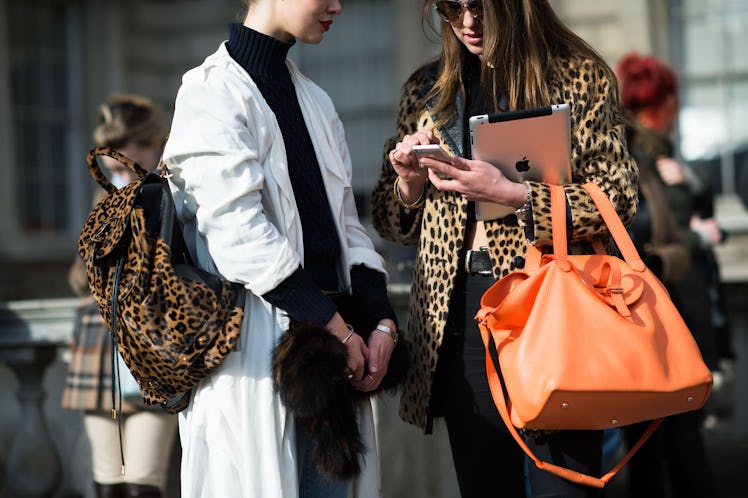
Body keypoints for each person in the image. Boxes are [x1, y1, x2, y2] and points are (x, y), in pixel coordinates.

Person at [370, 1, 638, 497]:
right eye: (453, 7)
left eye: (483, 7)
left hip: (552, 306)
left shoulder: (577, 76)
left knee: (565, 486)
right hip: (463, 312)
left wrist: (514, 194)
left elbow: (618, 198)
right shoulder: (427, 88)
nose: (468, 23)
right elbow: (391, 223)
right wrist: (408, 184)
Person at [160, 1, 399, 497]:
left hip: (334, 367)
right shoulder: (211, 91)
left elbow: (348, 229)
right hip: (258, 359)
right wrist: (336, 327)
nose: (337, 6)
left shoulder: (315, 99)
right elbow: (238, 235)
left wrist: (381, 324)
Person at [616, 52, 722, 498]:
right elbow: (674, 234)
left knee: (649, 442)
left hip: (644, 315)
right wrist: (699, 235)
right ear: (666, 104)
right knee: (677, 436)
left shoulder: (643, 153)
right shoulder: (648, 159)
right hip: (670, 309)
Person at [62, 94, 178, 498]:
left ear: (156, 147)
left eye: (127, 167)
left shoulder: (175, 193)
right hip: (99, 354)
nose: (120, 178)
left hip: (153, 352)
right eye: (111, 169)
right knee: (107, 486)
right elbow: (80, 276)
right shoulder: (106, 197)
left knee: (144, 484)